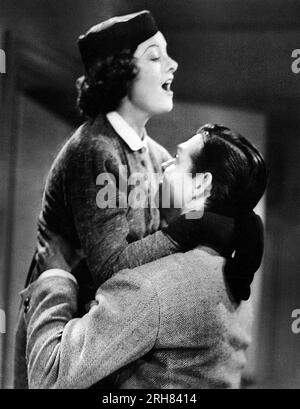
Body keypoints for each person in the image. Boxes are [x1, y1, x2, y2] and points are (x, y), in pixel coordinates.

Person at [14, 11, 240, 388]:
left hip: (106, 329)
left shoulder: (154, 154)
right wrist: (188, 229)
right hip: (60, 333)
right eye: (154, 56)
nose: (173, 64)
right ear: (119, 73)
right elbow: (111, 267)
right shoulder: (94, 150)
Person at [21, 124, 267, 389]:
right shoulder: (234, 282)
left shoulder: (153, 289)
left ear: (201, 183)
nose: (164, 165)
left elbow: (49, 378)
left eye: (177, 159)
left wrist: (55, 278)